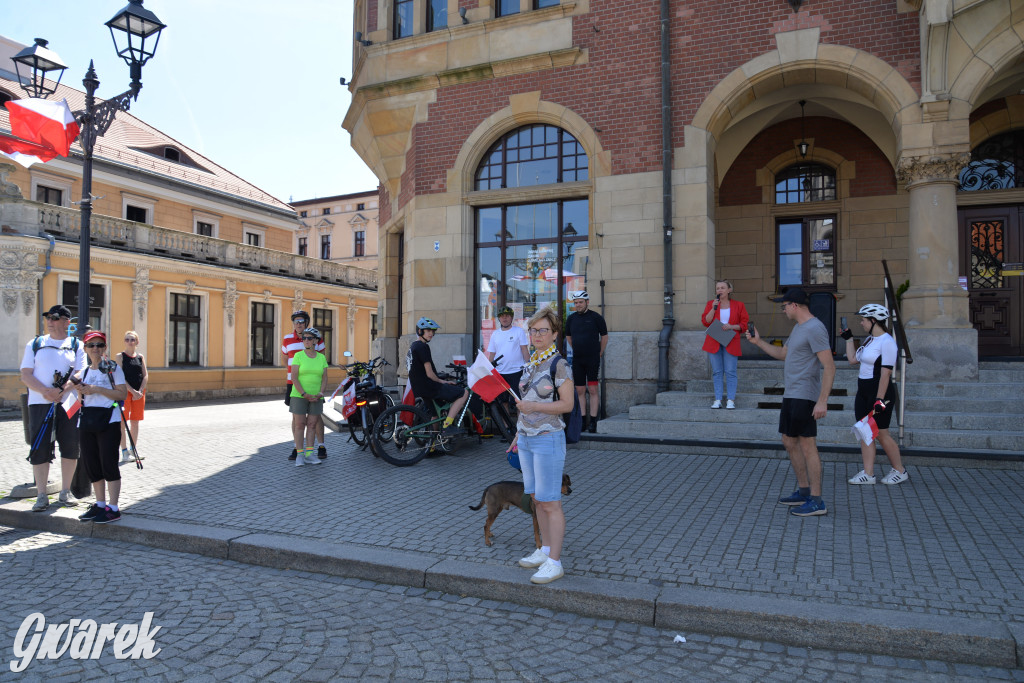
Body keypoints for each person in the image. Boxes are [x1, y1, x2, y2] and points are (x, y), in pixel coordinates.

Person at [745, 288, 836, 517]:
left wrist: (822, 401)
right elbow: (783, 355)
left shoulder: (815, 328)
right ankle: (804, 491)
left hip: (805, 395)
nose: (783, 309)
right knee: (788, 440)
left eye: (784, 305)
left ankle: (817, 500)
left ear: (794, 305)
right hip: (791, 394)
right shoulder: (798, 328)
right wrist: (758, 342)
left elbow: (830, 366)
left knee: (808, 445)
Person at [508, 305, 575, 584]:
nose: (537, 335)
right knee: (536, 498)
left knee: (551, 502)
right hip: (525, 438)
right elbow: (524, 405)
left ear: (554, 334)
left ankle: (555, 562)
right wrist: (516, 435)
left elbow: (568, 404)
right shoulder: (532, 361)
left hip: (548, 439)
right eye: (533, 330)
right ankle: (544, 550)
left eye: (543, 330)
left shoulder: (559, 363)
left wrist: (534, 405)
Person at [20, 305, 87, 511]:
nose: (50, 321)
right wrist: (45, 392)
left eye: (55, 318)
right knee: (40, 447)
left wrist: (64, 389)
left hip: (69, 402)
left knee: (70, 445)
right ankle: (41, 494)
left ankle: (65, 492)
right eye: (48, 317)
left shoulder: (77, 344)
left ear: (67, 322)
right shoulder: (36, 343)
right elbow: (26, 374)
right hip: (40, 402)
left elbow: (81, 371)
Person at [843, 303, 909, 485]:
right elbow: (852, 360)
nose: (861, 323)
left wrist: (879, 399)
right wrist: (848, 339)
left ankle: (900, 470)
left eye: (863, 320)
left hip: (880, 391)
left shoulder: (887, 342)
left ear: (874, 320)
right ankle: (868, 473)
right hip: (863, 390)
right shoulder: (870, 340)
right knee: (866, 431)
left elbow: (886, 373)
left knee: (880, 433)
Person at [74, 332, 128, 524]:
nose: (95, 349)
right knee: (92, 463)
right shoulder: (84, 371)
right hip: (87, 420)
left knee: (108, 463)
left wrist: (96, 389)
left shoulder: (113, 368)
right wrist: (80, 390)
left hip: (109, 420)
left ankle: (113, 507)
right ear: (85, 348)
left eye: (99, 345)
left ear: (105, 348)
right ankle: (99, 504)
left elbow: (122, 394)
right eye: (91, 345)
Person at [407, 317, 469, 436]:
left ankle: (431, 445)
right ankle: (447, 426)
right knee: (463, 393)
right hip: (429, 387)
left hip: (419, 388)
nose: (432, 334)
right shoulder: (422, 347)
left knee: (435, 415)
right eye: (428, 330)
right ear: (420, 331)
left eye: (433, 331)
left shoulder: (413, 346)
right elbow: (429, 373)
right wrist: (443, 382)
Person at [282, 311, 326, 461]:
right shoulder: (287, 339)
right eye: (296, 321)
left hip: (314, 384)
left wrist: (320, 388)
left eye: (301, 321)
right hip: (293, 383)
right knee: (297, 418)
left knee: (316, 417)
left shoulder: (315, 337)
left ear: (306, 322)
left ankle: (320, 445)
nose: (298, 324)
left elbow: (321, 360)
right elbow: (285, 359)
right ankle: (297, 447)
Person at [700, 280, 749, 409]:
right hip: (714, 340)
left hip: (731, 340)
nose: (720, 290)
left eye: (722, 288)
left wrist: (732, 326)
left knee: (731, 371)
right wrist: (712, 308)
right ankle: (718, 399)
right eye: (717, 288)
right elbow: (706, 321)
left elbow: (744, 324)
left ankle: (731, 400)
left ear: (729, 290)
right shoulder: (711, 304)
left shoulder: (739, 305)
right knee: (717, 371)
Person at [564, 290, 607, 433]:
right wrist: (577, 348)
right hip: (578, 359)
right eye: (576, 303)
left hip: (592, 359)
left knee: (593, 389)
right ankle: (583, 420)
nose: (578, 305)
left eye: (580, 302)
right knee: (580, 390)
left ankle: (593, 421)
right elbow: (569, 337)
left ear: (587, 302)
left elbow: (604, 336)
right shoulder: (571, 319)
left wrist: (599, 352)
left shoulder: (596, 317)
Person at [289, 327, 328, 466]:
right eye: (304, 338)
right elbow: (294, 377)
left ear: (316, 341)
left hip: (317, 396)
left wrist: (321, 393)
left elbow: (324, 379)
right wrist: (304, 394)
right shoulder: (298, 356)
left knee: (312, 425)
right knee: (300, 425)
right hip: (299, 396)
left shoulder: (321, 357)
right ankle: (300, 455)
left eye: (309, 338)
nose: (306, 340)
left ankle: (310, 454)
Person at [486, 305, 529, 409]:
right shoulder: (495, 334)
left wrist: (529, 365)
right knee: (503, 402)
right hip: (500, 373)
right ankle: (505, 425)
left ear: (511, 318)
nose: (504, 318)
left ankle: (520, 425)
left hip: (516, 372)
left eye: (507, 316)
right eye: (502, 316)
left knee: (519, 401)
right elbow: (491, 354)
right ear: (499, 318)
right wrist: (488, 370)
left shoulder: (519, 331)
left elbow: (524, 350)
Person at [116, 330, 148, 461]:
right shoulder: (120, 356)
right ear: (124, 341)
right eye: (127, 339)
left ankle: (133, 449)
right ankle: (124, 452)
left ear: (137, 342)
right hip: (125, 393)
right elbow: (119, 376)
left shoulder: (140, 357)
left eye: (132, 339)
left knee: (135, 422)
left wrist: (140, 390)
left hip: (139, 394)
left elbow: (145, 375)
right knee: (122, 422)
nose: (130, 342)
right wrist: (132, 391)